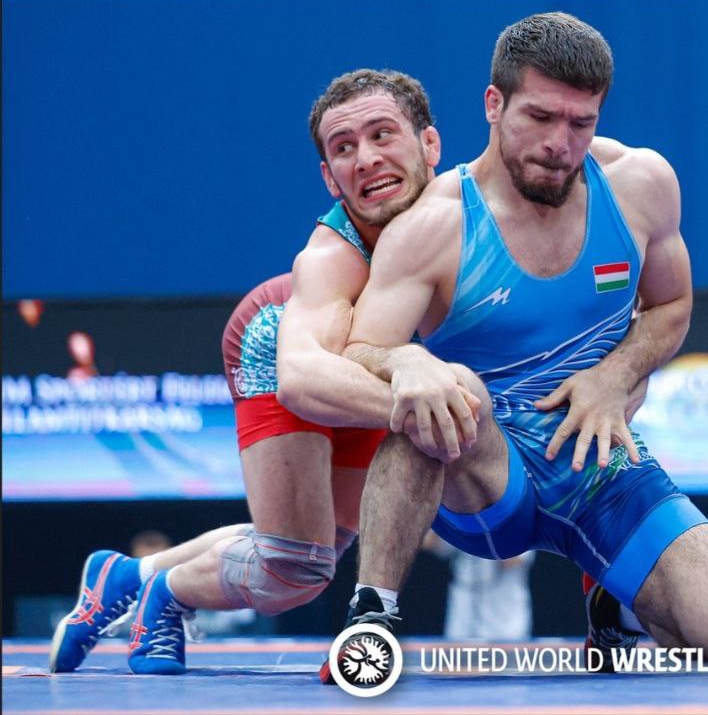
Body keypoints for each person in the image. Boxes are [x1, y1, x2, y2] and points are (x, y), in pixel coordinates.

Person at [333, 12, 708, 672]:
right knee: (439, 394)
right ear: (493, 104)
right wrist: (405, 360)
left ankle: (615, 604)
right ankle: (373, 613)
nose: (560, 144)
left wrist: (613, 376)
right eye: (539, 117)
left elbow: (671, 305)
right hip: (488, 470)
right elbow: (358, 351)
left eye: (580, 123)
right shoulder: (435, 224)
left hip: (596, 462)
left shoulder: (640, 185)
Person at [48, 68, 454, 675]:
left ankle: (125, 576)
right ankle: (166, 595)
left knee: (320, 543)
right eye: (345, 148)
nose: (367, 159)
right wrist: (437, 410)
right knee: (296, 568)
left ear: (430, 144)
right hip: (283, 344)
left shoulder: (469, 207)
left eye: (382, 135)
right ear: (329, 176)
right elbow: (304, 379)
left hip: (368, 361)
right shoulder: (328, 257)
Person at [422, 531, 535, 640]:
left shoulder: (519, 522)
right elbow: (429, 542)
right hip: (463, 615)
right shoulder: (462, 522)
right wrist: (442, 520)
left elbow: (511, 561)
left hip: (503, 619)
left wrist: (485, 526)